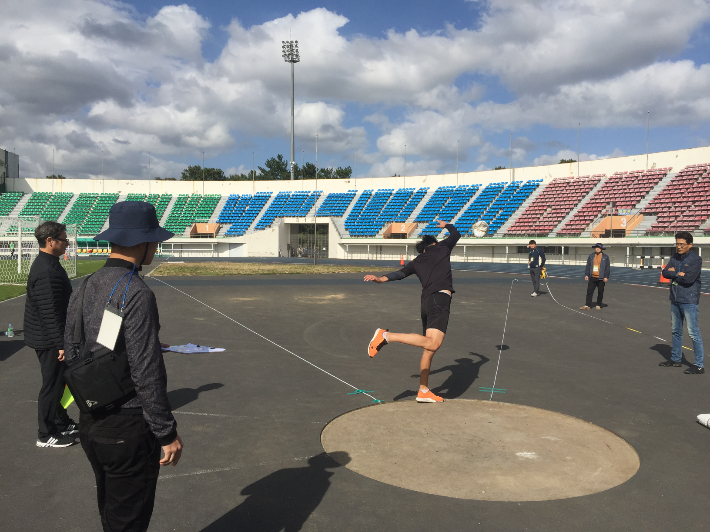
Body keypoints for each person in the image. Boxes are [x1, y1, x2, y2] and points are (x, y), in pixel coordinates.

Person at [64, 201, 183, 531]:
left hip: (90, 419)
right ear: (142, 243)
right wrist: (166, 431)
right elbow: (147, 372)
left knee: (111, 512)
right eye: (154, 241)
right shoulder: (137, 293)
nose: (156, 248)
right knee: (128, 521)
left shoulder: (84, 286)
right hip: (128, 428)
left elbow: (71, 348)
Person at [364, 220, 460, 403]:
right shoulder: (442, 247)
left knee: (428, 347)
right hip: (439, 299)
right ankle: (386, 336)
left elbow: (399, 274)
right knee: (433, 344)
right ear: (433, 243)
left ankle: (423, 390)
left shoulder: (417, 261)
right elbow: (456, 234)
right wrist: (446, 225)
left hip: (426, 302)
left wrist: (380, 279)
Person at [24, 221, 77, 448]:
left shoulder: (50, 264)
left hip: (49, 337)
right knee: (52, 385)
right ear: (50, 241)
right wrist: (61, 345)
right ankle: (45, 434)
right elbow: (50, 313)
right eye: (64, 239)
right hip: (49, 340)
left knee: (61, 382)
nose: (67, 243)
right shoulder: (46, 270)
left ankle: (59, 420)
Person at [658, 231, 704, 374]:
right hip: (675, 299)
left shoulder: (696, 259)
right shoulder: (674, 257)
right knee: (676, 331)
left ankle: (699, 364)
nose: (678, 247)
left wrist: (673, 272)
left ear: (689, 245)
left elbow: (689, 279)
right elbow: (665, 273)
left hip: (689, 300)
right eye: (677, 243)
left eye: (681, 244)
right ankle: (676, 359)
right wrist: (678, 273)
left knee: (693, 332)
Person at [580, 243, 611, 310]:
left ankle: (598, 304)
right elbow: (588, 266)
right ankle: (587, 305)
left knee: (600, 292)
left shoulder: (605, 257)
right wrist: (586, 274)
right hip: (592, 277)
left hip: (601, 278)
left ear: (601, 249)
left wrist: (606, 276)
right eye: (596, 247)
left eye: (599, 247)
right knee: (589, 291)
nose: (597, 248)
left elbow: (607, 267)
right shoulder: (591, 256)